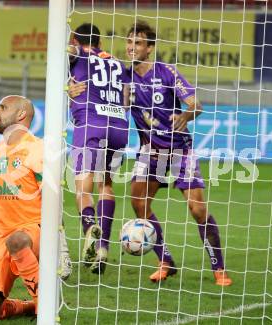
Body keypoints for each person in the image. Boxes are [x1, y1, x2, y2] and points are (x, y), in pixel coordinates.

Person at [69, 21, 232, 286]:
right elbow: (104, 93)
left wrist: (187, 114)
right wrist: (73, 88)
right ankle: (165, 260)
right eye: (129, 43)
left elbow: (196, 104)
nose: (132, 48)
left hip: (180, 149)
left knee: (197, 209)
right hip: (149, 151)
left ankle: (219, 268)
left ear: (150, 48)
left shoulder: (167, 72)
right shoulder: (123, 75)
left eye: (138, 44)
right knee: (139, 203)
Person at [0, 95, 71, 320]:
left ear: (21, 114)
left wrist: (61, 246)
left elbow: (54, 197)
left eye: (3, 107)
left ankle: (44, 308)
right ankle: (30, 305)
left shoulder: (39, 149)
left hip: (33, 229)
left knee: (17, 241)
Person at [68, 23, 130, 274]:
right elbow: (126, 99)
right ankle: (103, 247)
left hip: (90, 124)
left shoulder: (77, 54)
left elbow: (68, 52)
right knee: (106, 184)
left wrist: (68, 89)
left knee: (83, 187)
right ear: (100, 42)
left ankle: (90, 228)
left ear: (75, 39)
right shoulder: (117, 62)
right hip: (118, 126)